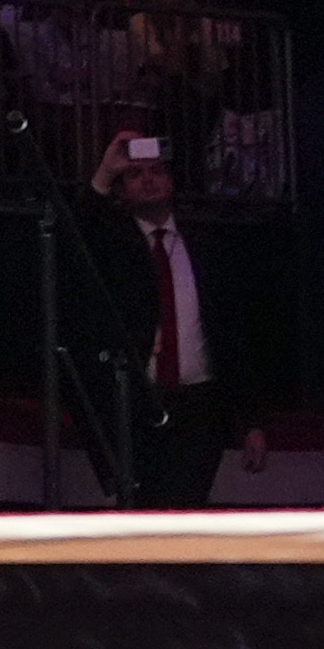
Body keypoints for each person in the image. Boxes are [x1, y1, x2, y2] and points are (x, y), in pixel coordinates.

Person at [73, 130, 283, 506]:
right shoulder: (114, 247)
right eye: (136, 175)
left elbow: (232, 334)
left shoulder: (206, 246)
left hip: (199, 405)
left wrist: (251, 421)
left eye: (156, 170)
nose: (148, 179)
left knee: (187, 510)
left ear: (171, 180)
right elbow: (76, 232)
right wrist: (106, 172)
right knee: (142, 513)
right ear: (122, 191)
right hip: (137, 403)